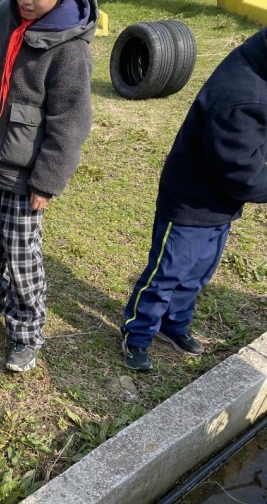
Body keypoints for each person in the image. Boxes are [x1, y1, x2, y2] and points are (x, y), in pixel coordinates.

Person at [0, 0, 96, 372]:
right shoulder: (1, 16)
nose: (27, 1)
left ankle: (26, 331)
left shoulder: (70, 49)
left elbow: (70, 123)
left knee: (21, 255)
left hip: (25, 177)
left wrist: (46, 182)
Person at [121, 27, 267, 371]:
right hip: (190, 202)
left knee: (199, 272)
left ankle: (173, 324)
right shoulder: (242, 96)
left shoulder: (258, 62)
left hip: (220, 204)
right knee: (166, 274)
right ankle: (137, 334)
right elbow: (240, 172)